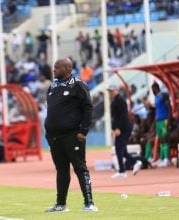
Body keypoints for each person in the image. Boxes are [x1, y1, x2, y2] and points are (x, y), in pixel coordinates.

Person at [44, 58, 98, 212]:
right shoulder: (53, 86)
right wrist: (49, 132)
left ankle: (89, 203)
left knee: (80, 168)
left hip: (72, 135)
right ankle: (61, 204)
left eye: (57, 67)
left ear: (67, 68)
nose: (54, 70)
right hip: (54, 137)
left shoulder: (78, 84)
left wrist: (83, 131)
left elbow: (88, 108)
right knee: (61, 170)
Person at [107, 84, 142, 178]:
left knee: (119, 149)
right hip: (122, 128)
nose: (110, 93)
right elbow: (115, 117)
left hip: (124, 128)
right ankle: (135, 162)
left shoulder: (120, 101)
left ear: (116, 90)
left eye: (111, 91)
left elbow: (122, 116)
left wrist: (117, 128)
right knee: (123, 150)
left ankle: (123, 171)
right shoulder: (115, 101)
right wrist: (113, 129)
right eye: (109, 91)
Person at [151, 82, 172, 167]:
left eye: (153, 89)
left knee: (165, 138)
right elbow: (157, 109)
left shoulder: (164, 95)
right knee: (161, 139)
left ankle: (167, 158)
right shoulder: (155, 97)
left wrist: (169, 120)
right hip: (158, 121)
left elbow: (169, 107)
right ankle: (162, 158)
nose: (153, 91)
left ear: (156, 88)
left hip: (164, 120)